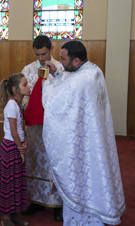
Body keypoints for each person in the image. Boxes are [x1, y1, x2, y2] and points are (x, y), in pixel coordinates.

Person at [43, 41, 126, 225]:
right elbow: (68, 83)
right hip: (93, 137)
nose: (61, 63)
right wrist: (57, 73)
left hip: (82, 145)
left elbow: (56, 102)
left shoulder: (82, 79)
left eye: (63, 60)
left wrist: (47, 83)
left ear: (77, 60)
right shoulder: (93, 71)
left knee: (82, 180)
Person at [21, 36, 64, 220]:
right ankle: (36, 202)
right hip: (34, 130)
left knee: (53, 165)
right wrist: (26, 103)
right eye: (37, 54)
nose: (40, 57)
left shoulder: (61, 69)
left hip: (54, 127)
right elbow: (22, 95)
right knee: (34, 164)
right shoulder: (28, 70)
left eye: (44, 53)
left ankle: (57, 205)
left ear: (51, 49)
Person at [0, 73, 30, 226]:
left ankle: (14, 213)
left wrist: (26, 141)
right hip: (11, 147)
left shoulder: (19, 103)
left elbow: (21, 127)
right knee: (8, 184)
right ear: (16, 89)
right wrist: (20, 149)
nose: (28, 87)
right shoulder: (11, 105)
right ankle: (5, 218)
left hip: (17, 145)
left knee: (17, 182)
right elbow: (13, 131)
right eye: (25, 85)